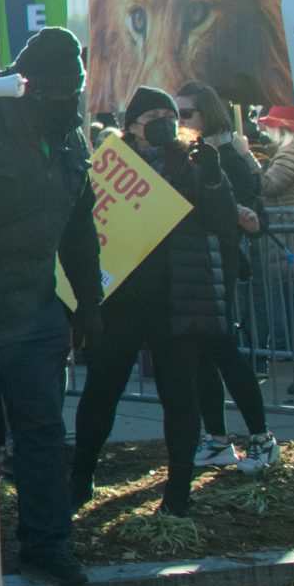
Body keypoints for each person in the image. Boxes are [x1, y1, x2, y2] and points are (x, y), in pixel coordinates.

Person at [71, 87, 240, 515]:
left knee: (180, 397)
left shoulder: (196, 162)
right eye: (153, 116)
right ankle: (80, 478)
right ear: (131, 126)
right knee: (101, 394)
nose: (165, 121)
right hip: (121, 302)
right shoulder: (108, 167)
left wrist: (216, 180)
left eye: (171, 114)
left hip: (176, 302)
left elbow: (223, 223)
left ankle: (178, 492)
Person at [0, 26, 101, 586]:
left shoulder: (72, 139)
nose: (67, 101)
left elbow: (79, 227)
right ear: (28, 86)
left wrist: (91, 304)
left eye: (73, 91)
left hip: (37, 310)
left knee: (43, 434)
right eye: (57, 91)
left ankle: (47, 545)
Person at [178, 83, 278, 475]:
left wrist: (241, 215)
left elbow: (256, 217)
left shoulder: (231, 155)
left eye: (187, 114)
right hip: (198, 264)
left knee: (222, 350)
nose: (180, 121)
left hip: (221, 265)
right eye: (177, 113)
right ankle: (218, 440)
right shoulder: (190, 153)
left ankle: (260, 438)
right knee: (204, 353)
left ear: (209, 114)